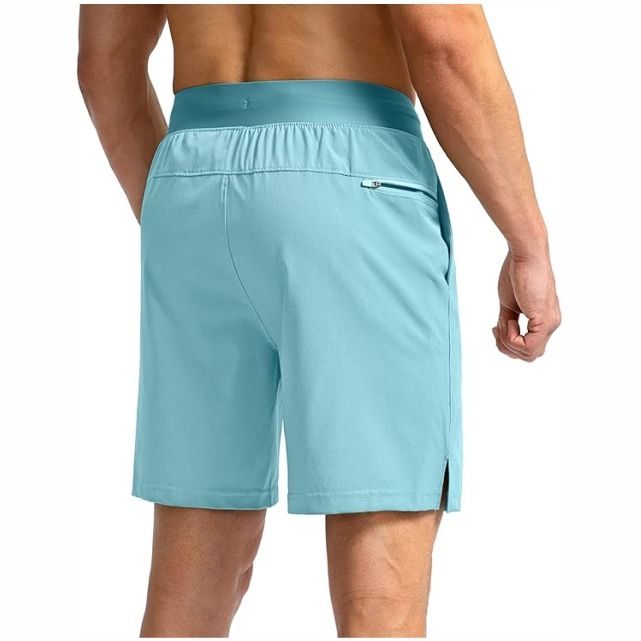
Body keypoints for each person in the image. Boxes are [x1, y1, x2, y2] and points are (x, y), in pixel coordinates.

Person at [78, 4, 560, 638]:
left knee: (190, 578)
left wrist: (186, 221)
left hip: (190, 181)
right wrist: (528, 243)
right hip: (349, 178)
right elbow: (444, 36)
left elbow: (104, 64)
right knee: (380, 589)